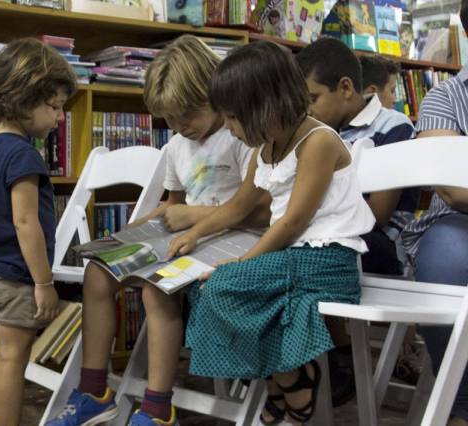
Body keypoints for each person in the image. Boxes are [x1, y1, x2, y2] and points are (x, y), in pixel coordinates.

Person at [46, 34, 265, 426]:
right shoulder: (177, 146)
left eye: (189, 114)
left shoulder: (239, 135)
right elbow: (175, 204)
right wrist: (144, 224)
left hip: (236, 238)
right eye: (171, 118)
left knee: (156, 283)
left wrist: (190, 216)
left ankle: (158, 408)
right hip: (191, 237)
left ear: (216, 94)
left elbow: (261, 210)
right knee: (98, 271)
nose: (181, 126)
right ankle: (95, 390)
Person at [167, 41, 375, 425]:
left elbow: (293, 222)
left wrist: (243, 261)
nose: (228, 128)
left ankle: (291, 378)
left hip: (329, 260)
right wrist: (197, 232)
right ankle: (285, 378)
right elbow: (238, 208)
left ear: (266, 105)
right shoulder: (267, 147)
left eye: (232, 118)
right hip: (293, 257)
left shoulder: (319, 141)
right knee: (206, 288)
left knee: (225, 283)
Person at [296, 37, 417, 405]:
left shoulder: (394, 127)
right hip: (331, 236)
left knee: (311, 252)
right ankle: (313, 358)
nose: (308, 111)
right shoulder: (316, 132)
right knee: (298, 247)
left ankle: (336, 355)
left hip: (381, 243)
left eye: (313, 99)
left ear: (346, 87)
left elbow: (375, 216)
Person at [0, 38, 77, 426]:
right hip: (15, 277)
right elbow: (25, 222)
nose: (59, 118)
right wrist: (44, 282)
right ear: (25, 97)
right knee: (16, 357)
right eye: (55, 107)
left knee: (0, 352)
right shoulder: (23, 155)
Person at [401, 1, 468, 424]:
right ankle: (462, 406)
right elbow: (454, 190)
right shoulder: (445, 97)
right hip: (456, 224)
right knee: (447, 258)